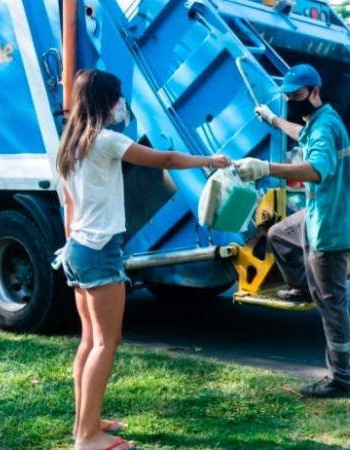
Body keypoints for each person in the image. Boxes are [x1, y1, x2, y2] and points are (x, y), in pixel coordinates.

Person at [56, 69, 230, 450]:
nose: (121, 104)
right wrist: (209, 160)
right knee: (107, 342)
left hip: (77, 250)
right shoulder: (106, 141)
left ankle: (85, 422)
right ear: (105, 101)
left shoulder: (68, 146)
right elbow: (163, 158)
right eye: (117, 97)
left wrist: (74, 247)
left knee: (90, 341)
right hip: (99, 250)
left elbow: (69, 204)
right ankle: (87, 437)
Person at [237, 64, 350, 399]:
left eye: (297, 95)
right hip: (321, 214)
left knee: (332, 306)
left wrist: (266, 167)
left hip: (330, 227)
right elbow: (302, 133)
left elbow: (317, 170)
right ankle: (303, 288)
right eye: (288, 96)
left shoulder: (324, 127)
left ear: (315, 92)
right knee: (279, 234)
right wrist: (274, 120)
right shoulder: (320, 120)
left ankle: (341, 379)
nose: (292, 100)